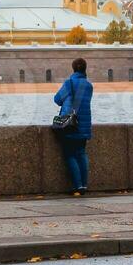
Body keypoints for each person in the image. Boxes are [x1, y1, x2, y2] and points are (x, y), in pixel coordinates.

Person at [54, 57, 93, 195]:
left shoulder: (69, 83)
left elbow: (57, 99)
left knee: (70, 154)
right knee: (81, 153)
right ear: (84, 69)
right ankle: (84, 185)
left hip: (70, 124)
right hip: (84, 125)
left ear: (73, 68)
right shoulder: (89, 86)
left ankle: (77, 186)